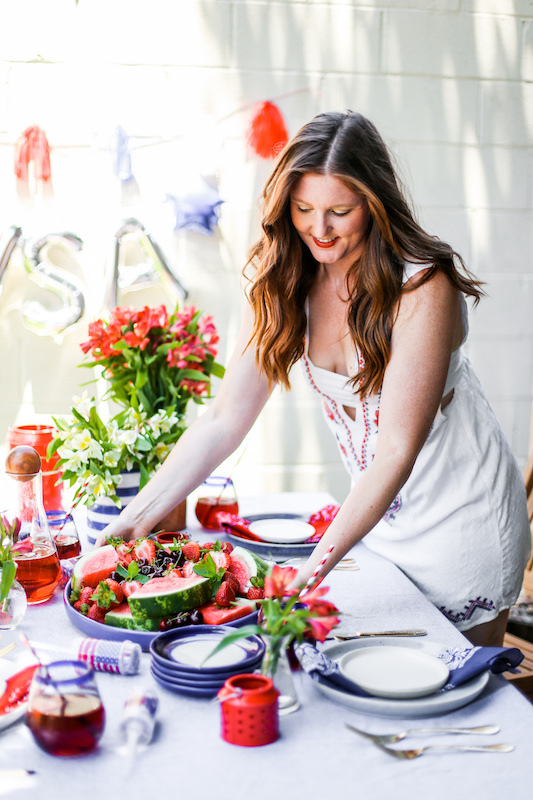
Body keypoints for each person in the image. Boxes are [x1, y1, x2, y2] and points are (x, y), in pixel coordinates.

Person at [97, 111, 531, 647]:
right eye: (303, 209)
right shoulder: (287, 278)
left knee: (454, 708)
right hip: (379, 529)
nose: (318, 230)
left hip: (464, 530)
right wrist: (135, 517)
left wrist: (313, 569)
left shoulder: (422, 286)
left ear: (374, 204)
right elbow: (224, 418)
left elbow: (395, 449)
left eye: (339, 211)